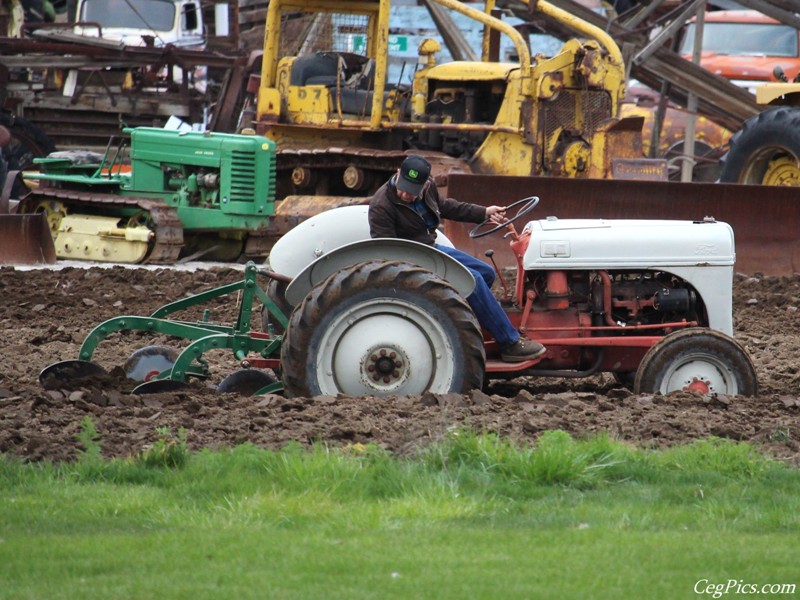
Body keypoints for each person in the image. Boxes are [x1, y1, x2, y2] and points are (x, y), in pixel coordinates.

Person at [368, 155, 547, 362]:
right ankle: (510, 343)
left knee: (486, 273)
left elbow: (446, 207)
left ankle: (467, 323)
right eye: (403, 187)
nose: (405, 193)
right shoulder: (382, 206)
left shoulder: (428, 189)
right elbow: (387, 251)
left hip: (430, 249)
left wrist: (484, 212)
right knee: (473, 281)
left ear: (425, 184)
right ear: (398, 174)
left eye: (412, 190)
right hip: (411, 260)